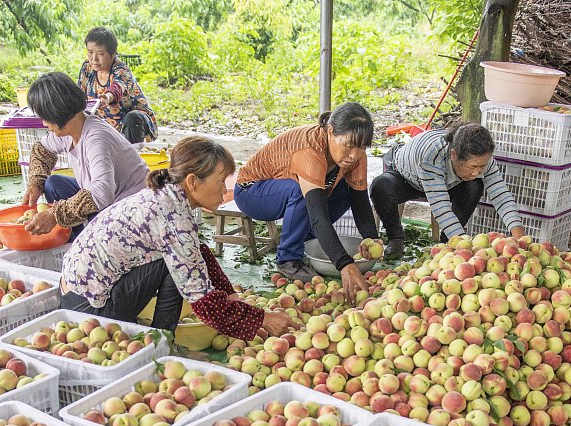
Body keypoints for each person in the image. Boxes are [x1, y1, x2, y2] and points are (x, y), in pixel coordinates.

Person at [60, 136, 293, 339]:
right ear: (192, 181)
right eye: (221, 181)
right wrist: (261, 319)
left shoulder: (166, 196)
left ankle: (160, 336)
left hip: (77, 294)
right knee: (176, 267)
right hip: (89, 312)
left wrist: (230, 295)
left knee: (178, 260)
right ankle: (162, 339)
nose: (224, 190)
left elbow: (196, 252)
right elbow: (204, 302)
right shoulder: (172, 215)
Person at [234, 102, 381, 303]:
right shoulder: (309, 149)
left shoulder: (355, 156)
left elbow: (360, 199)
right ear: (330, 131)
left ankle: (305, 238)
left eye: (361, 146)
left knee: (347, 189)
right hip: (252, 192)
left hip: (288, 192)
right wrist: (344, 263)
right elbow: (318, 215)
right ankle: (288, 259)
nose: (354, 154)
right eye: (349, 145)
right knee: (300, 191)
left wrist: (371, 238)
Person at [369, 123, 526, 259]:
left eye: (482, 166)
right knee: (380, 186)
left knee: (475, 185)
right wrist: (466, 248)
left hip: (445, 183)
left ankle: (446, 243)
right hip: (406, 178)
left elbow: (501, 196)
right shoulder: (432, 156)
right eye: (472, 167)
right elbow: (441, 208)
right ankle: (396, 238)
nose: (477, 172)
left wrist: (520, 239)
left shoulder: (482, 158)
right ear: (454, 155)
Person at [22, 71, 149, 238]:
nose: (44, 123)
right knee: (53, 183)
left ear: (58, 113)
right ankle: (77, 236)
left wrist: (54, 215)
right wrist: (35, 183)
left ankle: (84, 241)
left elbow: (102, 194)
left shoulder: (96, 138)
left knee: (81, 206)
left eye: (45, 118)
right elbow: (42, 149)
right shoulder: (70, 131)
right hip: (108, 198)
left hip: (130, 210)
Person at [79, 26, 158, 145]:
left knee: (133, 118)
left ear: (112, 54)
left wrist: (106, 97)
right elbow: (79, 94)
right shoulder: (87, 68)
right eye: (90, 52)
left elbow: (117, 88)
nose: (94, 59)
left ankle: (134, 154)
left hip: (133, 123)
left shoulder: (121, 69)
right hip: (105, 126)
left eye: (100, 54)